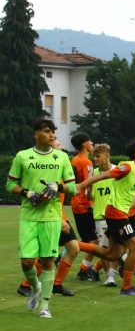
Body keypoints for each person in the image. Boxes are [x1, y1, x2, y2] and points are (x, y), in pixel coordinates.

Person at [7, 118, 76, 318]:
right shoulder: (23, 156)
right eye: (47, 131)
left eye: (53, 131)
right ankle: (36, 288)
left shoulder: (62, 157)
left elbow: (74, 186)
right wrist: (27, 193)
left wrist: (58, 187)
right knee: (27, 262)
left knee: (47, 260)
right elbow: (10, 185)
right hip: (29, 216)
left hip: (51, 216)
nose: (52, 135)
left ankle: (45, 306)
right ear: (36, 133)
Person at [76, 141, 135, 296]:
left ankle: (75, 245)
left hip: (123, 214)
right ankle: (127, 287)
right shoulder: (128, 167)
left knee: (112, 254)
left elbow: (133, 194)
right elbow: (104, 175)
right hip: (116, 213)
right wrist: (80, 186)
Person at [70, 132, 100, 281]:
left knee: (90, 240)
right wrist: (92, 199)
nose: (92, 143)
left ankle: (83, 267)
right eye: (90, 141)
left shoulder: (74, 160)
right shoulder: (86, 162)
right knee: (94, 241)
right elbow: (89, 183)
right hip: (84, 203)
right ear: (84, 144)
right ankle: (83, 269)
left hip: (76, 202)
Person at [88, 143, 118, 286]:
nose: (95, 159)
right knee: (105, 249)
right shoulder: (93, 173)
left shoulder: (118, 170)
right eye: (94, 156)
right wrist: (88, 189)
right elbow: (90, 197)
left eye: (98, 156)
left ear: (107, 155)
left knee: (118, 246)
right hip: (100, 216)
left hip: (117, 214)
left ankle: (113, 273)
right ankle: (109, 276)